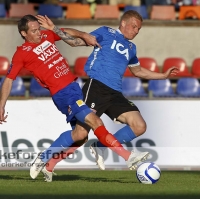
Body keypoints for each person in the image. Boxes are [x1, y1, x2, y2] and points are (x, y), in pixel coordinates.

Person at [0, 14, 150, 180]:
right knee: (96, 122)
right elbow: (9, 80)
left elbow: (66, 32)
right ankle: (128, 156)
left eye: (39, 29)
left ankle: (45, 159)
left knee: (80, 135)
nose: (38, 33)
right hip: (62, 94)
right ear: (23, 33)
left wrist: (83, 34)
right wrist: (1, 105)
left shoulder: (47, 35)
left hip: (74, 88)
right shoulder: (22, 54)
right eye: (34, 31)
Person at [35, 12, 178, 182]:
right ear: (123, 22)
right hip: (96, 87)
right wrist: (54, 29)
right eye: (133, 26)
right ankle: (47, 161)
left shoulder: (131, 48)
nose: (136, 31)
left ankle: (100, 146)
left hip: (115, 93)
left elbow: (137, 71)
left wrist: (163, 76)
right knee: (80, 134)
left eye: (138, 29)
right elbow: (76, 42)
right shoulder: (105, 32)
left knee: (139, 126)